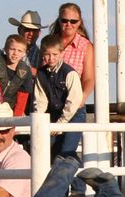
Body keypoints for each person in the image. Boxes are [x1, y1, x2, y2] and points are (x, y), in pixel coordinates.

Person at [49, 3, 94, 196]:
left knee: (67, 150)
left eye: (73, 21)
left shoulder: (85, 45)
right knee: (53, 152)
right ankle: (68, 191)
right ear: (59, 21)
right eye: (64, 20)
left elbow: (90, 78)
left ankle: (75, 191)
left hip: (74, 107)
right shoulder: (51, 42)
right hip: (52, 106)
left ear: (79, 22)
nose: (68, 24)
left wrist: (80, 99)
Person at [33, 34, 83, 163]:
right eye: (47, 54)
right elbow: (40, 101)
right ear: (42, 54)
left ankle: (79, 183)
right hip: (54, 115)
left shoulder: (69, 73)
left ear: (61, 53)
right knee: (52, 151)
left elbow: (73, 101)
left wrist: (61, 123)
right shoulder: (41, 74)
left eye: (55, 54)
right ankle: (75, 179)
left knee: (67, 152)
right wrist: (39, 120)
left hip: (74, 114)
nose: (51, 58)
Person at [0, 35, 33, 117]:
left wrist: (15, 122)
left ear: (24, 53)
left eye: (19, 51)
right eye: (12, 49)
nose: (15, 53)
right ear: (5, 49)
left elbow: (22, 100)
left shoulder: (26, 71)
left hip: (10, 111)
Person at [8, 10, 46, 76]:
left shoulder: (44, 55)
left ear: (39, 33)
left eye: (34, 30)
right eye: (27, 29)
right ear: (19, 30)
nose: (31, 34)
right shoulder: (6, 52)